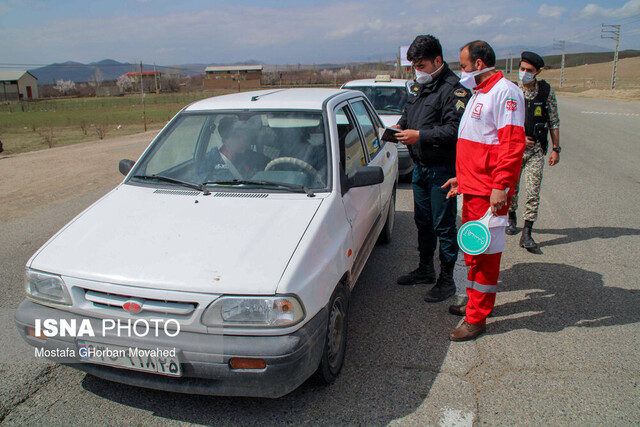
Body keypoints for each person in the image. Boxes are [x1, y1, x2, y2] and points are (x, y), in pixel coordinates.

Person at [442, 40, 526, 341]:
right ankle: (474, 303)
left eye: (463, 66)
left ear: (478, 65)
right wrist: (462, 179)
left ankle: (477, 318)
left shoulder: (506, 93)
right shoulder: (482, 92)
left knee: (485, 255)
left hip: (491, 193)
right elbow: (478, 144)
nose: (461, 72)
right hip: (474, 189)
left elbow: (511, 145)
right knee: (474, 251)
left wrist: (501, 185)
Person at [393, 34, 471, 303]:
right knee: (423, 222)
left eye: (422, 66)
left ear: (438, 60)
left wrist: (420, 136)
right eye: (414, 67)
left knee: (444, 225)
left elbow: (454, 130)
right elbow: (408, 115)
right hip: (420, 168)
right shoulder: (420, 86)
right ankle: (425, 269)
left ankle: (446, 280)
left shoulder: (455, 90)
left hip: (442, 169)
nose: (418, 72)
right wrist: (399, 128)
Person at [505, 51, 561, 251]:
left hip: (536, 150)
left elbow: (553, 120)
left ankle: (527, 232)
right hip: (514, 150)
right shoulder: (511, 90)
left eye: (529, 70)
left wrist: (556, 148)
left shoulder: (545, 92)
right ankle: (511, 218)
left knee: (533, 191)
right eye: (522, 69)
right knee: (512, 189)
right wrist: (518, 138)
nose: (524, 73)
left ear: (538, 72)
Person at [201, 117, 269, 181]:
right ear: (225, 141)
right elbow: (199, 180)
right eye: (237, 137)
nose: (243, 141)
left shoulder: (257, 159)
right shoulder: (212, 158)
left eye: (244, 136)